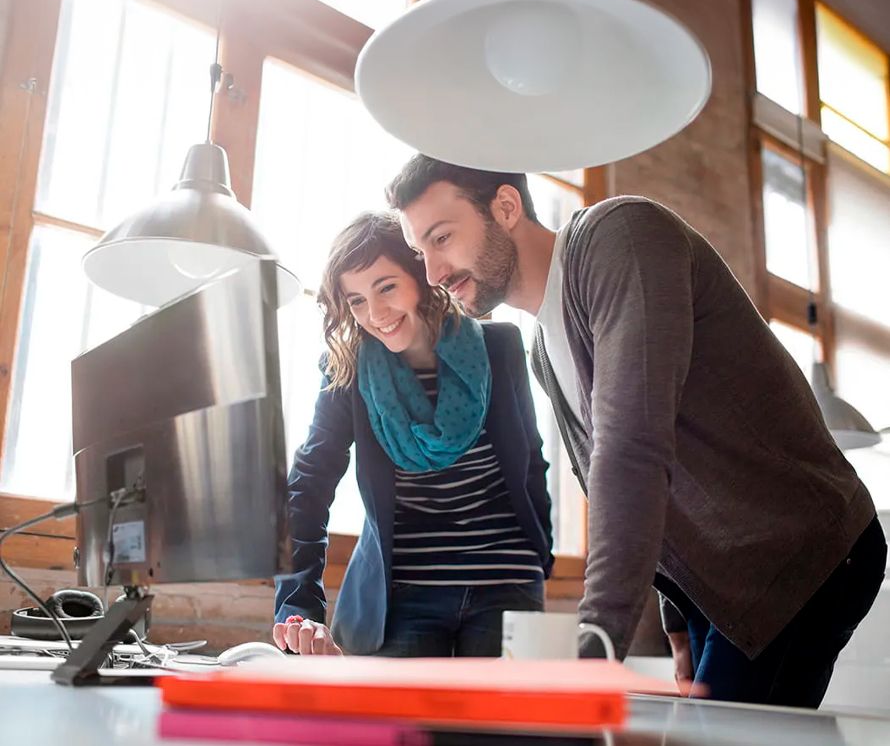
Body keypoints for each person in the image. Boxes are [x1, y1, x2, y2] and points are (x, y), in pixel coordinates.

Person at [386, 154, 886, 707]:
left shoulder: (621, 236)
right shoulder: (544, 351)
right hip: (721, 586)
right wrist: (679, 612)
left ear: (505, 207)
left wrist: (597, 641)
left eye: (442, 238)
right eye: (420, 252)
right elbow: (655, 474)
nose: (432, 273)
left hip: (799, 551)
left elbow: (633, 447)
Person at [273, 211, 553, 658]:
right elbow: (307, 487)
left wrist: (542, 553)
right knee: (392, 709)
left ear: (422, 275)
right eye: (357, 300)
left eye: (386, 287)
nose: (375, 314)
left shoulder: (499, 348)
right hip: (401, 597)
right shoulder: (347, 372)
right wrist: (298, 607)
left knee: (505, 709)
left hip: (507, 582)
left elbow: (530, 459)